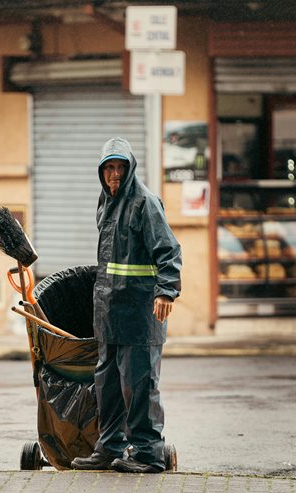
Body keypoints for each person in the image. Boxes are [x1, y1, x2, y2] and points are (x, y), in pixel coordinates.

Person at [71, 138, 182, 474]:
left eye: (120, 167)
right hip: (110, 313)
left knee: (139, 384)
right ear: (102, 172)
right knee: (108, 386)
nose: (115, 174)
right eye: (109, 168)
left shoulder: (144, 203)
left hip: (139, 311)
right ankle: (110, 448)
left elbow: (169, 250)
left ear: (130, 168)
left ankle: (148, 454)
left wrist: (166, 291)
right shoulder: (106, 203)